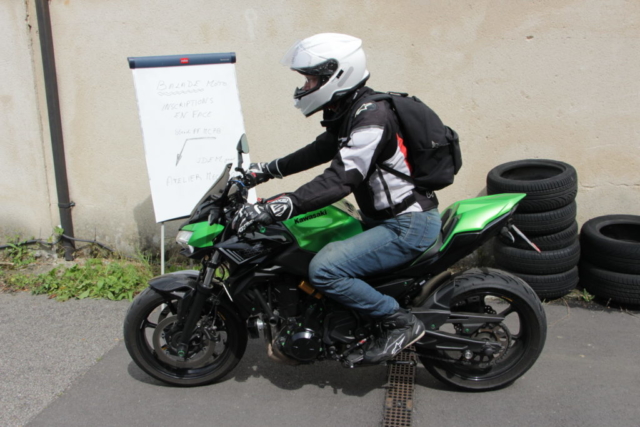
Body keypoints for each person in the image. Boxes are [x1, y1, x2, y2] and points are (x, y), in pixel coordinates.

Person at [232, 33, 442, 364]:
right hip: (386, 220)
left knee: (325, 269)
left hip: (407, 226)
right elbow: (320, 150)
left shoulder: (372, 118)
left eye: (311, 79)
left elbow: (342, 178)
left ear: (337, 75)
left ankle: (400, 323)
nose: (305, 86)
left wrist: (280, 206)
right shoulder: (354, 111)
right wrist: (266, 170)